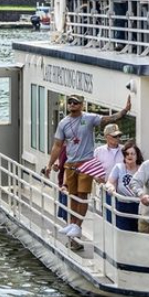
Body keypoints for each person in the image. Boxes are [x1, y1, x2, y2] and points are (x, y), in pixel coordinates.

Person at [42, 95, 131, 240]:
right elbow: (57, 146)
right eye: (70, 102)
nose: (72, 104)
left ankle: (78, 226)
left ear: (81, 105)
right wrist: (49, 165)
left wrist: (124, 111)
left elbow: (109, 119)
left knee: (82, 194)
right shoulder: (63, 123)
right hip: (71, 164)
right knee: (73, 195)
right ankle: (72, 224)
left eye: (75, 102)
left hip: (86, 162)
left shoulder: (89, 118)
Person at [104, 141, 144, 232]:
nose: (129, 156)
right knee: (123, 232)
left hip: (139, 207)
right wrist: (111, 187)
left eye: (132, 154)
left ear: (137, 155)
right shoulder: (119, 167)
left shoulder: (142, 168)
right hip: (122, 205)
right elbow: (109, 182)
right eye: (127, 154)